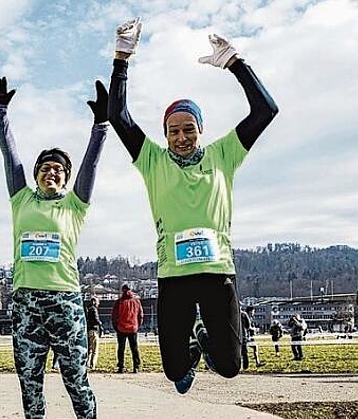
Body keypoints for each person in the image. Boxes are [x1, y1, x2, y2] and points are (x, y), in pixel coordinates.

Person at [106, 19, 278, 394]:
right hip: (174, 276)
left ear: (201, 129)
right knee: (175, 373)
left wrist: (235, 63)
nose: (181, 137)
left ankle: (203, 335)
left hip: (218, 272)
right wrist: (122, 58)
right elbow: (118, 116)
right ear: (165, 134)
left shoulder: (223, 155)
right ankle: (190, 346)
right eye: (173, 130)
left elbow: (266, 110)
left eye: (188, 129)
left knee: (231, 368)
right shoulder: (153, 161)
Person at [0, 73, 107, 419]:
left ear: (66, 177)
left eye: (59, 169)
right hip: (26, 306)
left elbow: (91, 165)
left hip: (66, 305)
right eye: (46, 168)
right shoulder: (21, 199)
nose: (51, 173)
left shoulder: (75, 205)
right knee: (29, 383)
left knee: (77, 383)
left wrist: (101, 126)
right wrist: (0, 113)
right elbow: (11, 158)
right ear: (37, 175)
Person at [111, 284, 143, 373]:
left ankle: (121, 366)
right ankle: (136, 366)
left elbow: (114, 316)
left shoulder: (119, 302)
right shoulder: (136, 301)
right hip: (133, 328)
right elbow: (140, 315)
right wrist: (137, 326)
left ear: (123, 290)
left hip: (121, 328)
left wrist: (116, 327)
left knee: (121, 348)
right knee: (134, 348)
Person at [85, 297, 102, 370]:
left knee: (89, 349)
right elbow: (96, 319)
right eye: (98, 302)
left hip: (88, 330)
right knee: (95, 349)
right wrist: (100, 324)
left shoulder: (87, 309)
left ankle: (86, 363)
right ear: (94, 302)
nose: (98, 304)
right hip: (94, 330)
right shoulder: (94, 309)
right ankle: (93, 364)